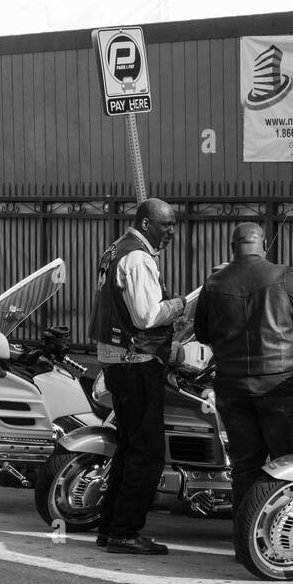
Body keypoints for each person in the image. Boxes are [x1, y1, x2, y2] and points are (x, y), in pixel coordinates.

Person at [195, 222, 293, 511]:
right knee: (289, 463)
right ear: (263, 245)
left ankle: (243, 539)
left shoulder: (214, 282)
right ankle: (288, 534)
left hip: (232, 385)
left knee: (245, 466)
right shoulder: (283, 275)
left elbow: (202, 333)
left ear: (232, 248)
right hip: (278, 383)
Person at [90, 198, 186, 555]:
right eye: (167, 225)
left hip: (118, 360)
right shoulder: (137, 257)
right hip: (136, 361)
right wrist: (179, 305)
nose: (172, 232)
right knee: (147, 453)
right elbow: (147, 315)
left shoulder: (116, 248)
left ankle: (110, 527)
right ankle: (126, 531)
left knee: (129, 448)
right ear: (147, 224)